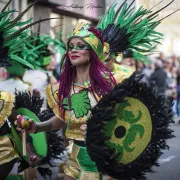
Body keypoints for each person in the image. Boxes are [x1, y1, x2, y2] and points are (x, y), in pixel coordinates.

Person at [16, 0, 178, 179]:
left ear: (92, 51)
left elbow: (127, 121)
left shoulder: (112, 85)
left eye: (81, 46)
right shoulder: (65, 88)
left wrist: (100, 131)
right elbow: (62, 119)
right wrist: (36, 127)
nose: (74, 50)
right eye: (71, 47)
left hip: (103, 162)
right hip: (75, 158)